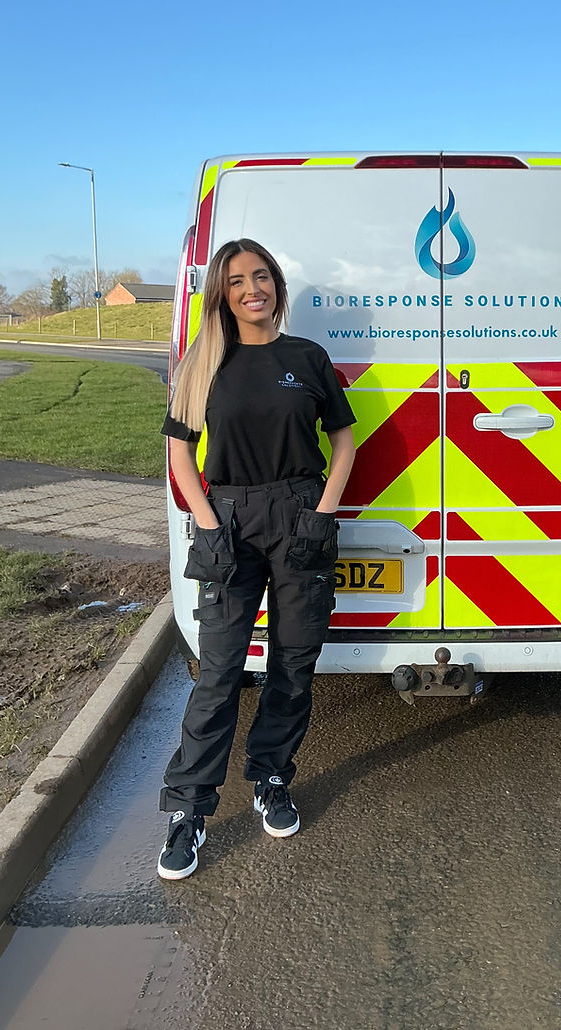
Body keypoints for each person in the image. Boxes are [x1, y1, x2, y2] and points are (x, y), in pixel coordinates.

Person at [157, 238, 355, 880]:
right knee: (219, 671)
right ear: (222, 291)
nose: (252, 289)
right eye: (238, 279)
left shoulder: (307, 357)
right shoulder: (203, 362)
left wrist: (322, 512)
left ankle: (272, 777)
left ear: (276, 285)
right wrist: (207, 522)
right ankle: (188, 810)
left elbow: (343, 440)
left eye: (262, 276)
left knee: (293, 664)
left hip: (300, 513)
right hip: (229, 521)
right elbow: (180, 453)